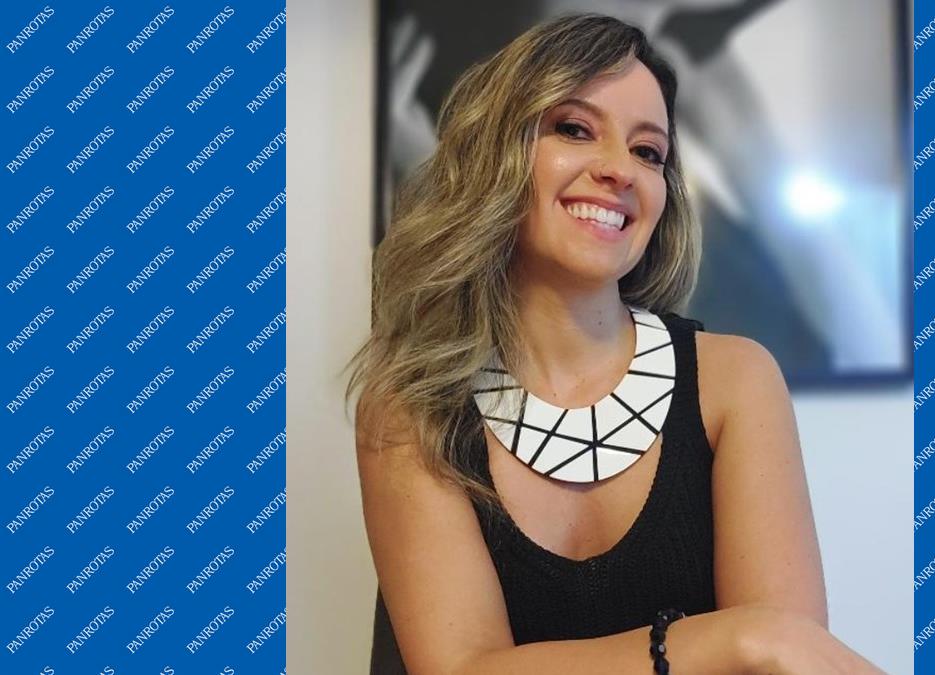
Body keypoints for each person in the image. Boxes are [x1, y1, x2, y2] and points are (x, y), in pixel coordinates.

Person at [346, 13, 884, 674]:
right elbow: (462, 669)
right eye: (575, 129)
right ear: (494, 154)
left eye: (648, 152)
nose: (619, 170)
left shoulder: (736, 381)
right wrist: (731, 639)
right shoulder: (411, 404)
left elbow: (785, 662)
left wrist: (759, 642)